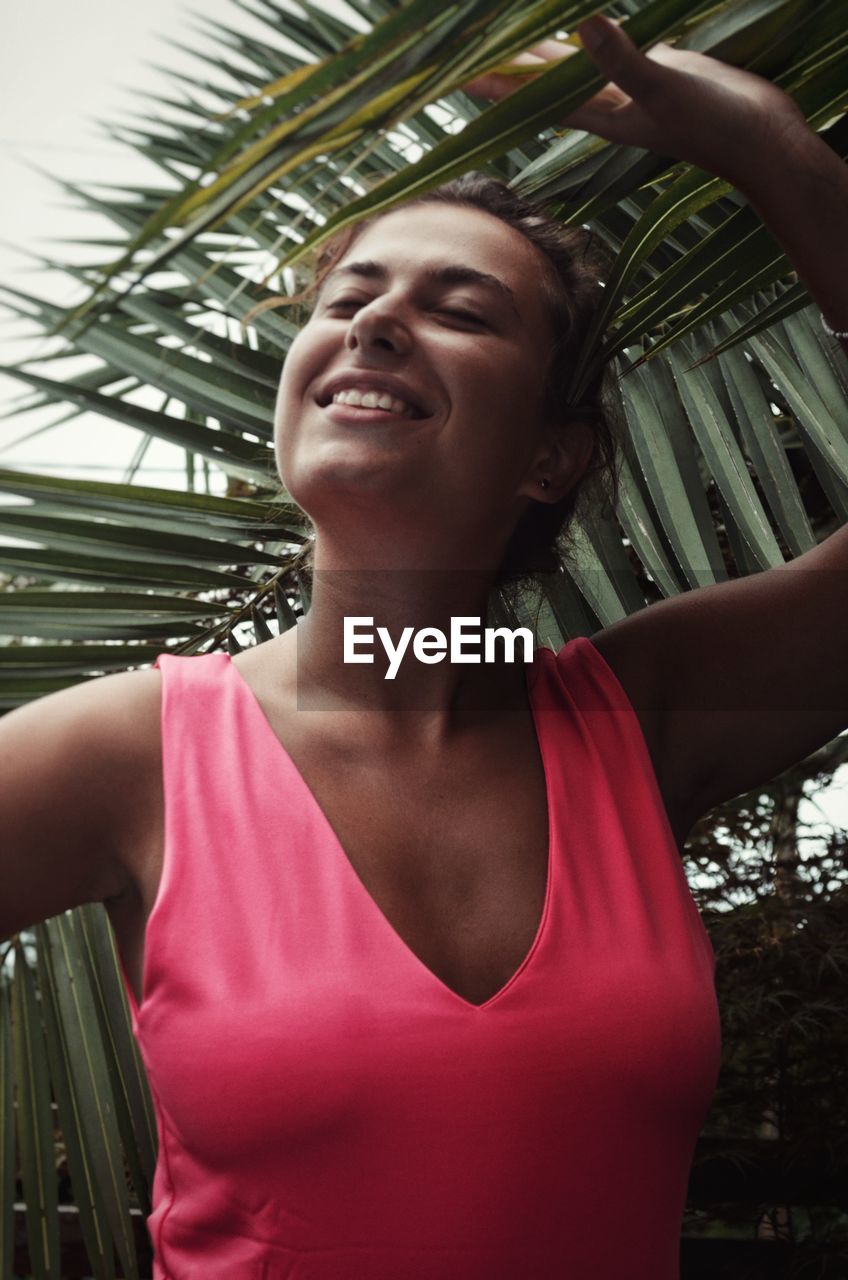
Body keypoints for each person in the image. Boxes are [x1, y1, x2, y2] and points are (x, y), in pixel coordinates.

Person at [2, 13, 847, 1279]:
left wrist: (775, 150)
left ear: (550, 457)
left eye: (460, 310)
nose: (375, 323)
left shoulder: (642, 718)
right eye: (348, 296)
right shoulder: (131, 747)